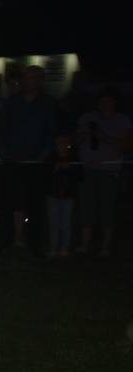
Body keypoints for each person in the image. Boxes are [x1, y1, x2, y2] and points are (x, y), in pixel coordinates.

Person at [0, 65, 55, 249]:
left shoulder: (48, 103)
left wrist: (44, 154)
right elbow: (0, 129)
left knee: (36, 204)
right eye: (26, 77)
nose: (29, 81)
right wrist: (4, 152)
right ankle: (6, 240)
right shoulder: (11, 103)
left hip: (37, 162)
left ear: (40, 81)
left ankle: (35, 243)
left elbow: (52, 131)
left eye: (34, 78)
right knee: (8, 203)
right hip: (12, 161)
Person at [75, 88, 130, 258]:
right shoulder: (87, 118)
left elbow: (126, 146)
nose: (105, 104)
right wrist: (83, 136)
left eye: (108, 101)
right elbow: (74, 141)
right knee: (86, 208)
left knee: (107, 209)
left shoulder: (122, 120)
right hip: (87, 170)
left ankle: (105, 246)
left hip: (109, 171)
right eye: (102, 101)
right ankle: (85, 244)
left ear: (115, 102)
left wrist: (103, 137)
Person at [46, 132, 79, 258]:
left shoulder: (74, 158)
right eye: (59, 143)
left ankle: (64, 248)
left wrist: (69, 168)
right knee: (53, 223)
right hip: (52, 195)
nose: (61, 145)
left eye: (64, 142)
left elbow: (80, 176)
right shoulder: (51, 158)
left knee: (66, 223)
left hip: (68, 196)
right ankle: (53, 248)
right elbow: (44, 175)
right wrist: (55, 168)